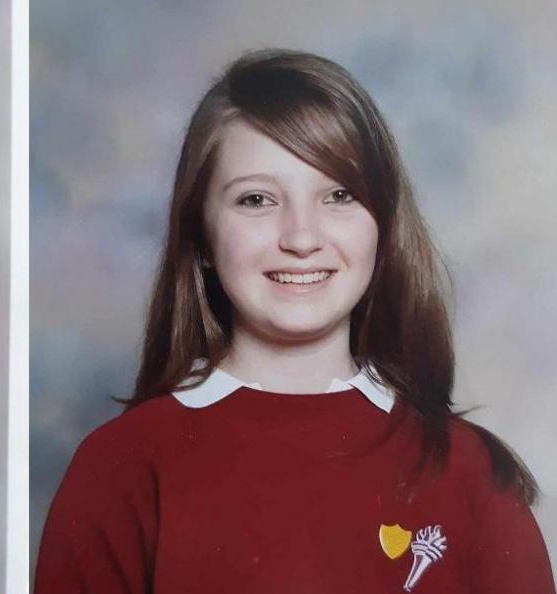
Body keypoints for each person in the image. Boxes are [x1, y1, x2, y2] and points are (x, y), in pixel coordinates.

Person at [34, 49, 554, 593]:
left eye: (339, 195)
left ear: (383, 228)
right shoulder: (121, 467)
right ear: (202, 236)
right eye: (256, 199)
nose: (302, 238)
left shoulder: (466, 471)